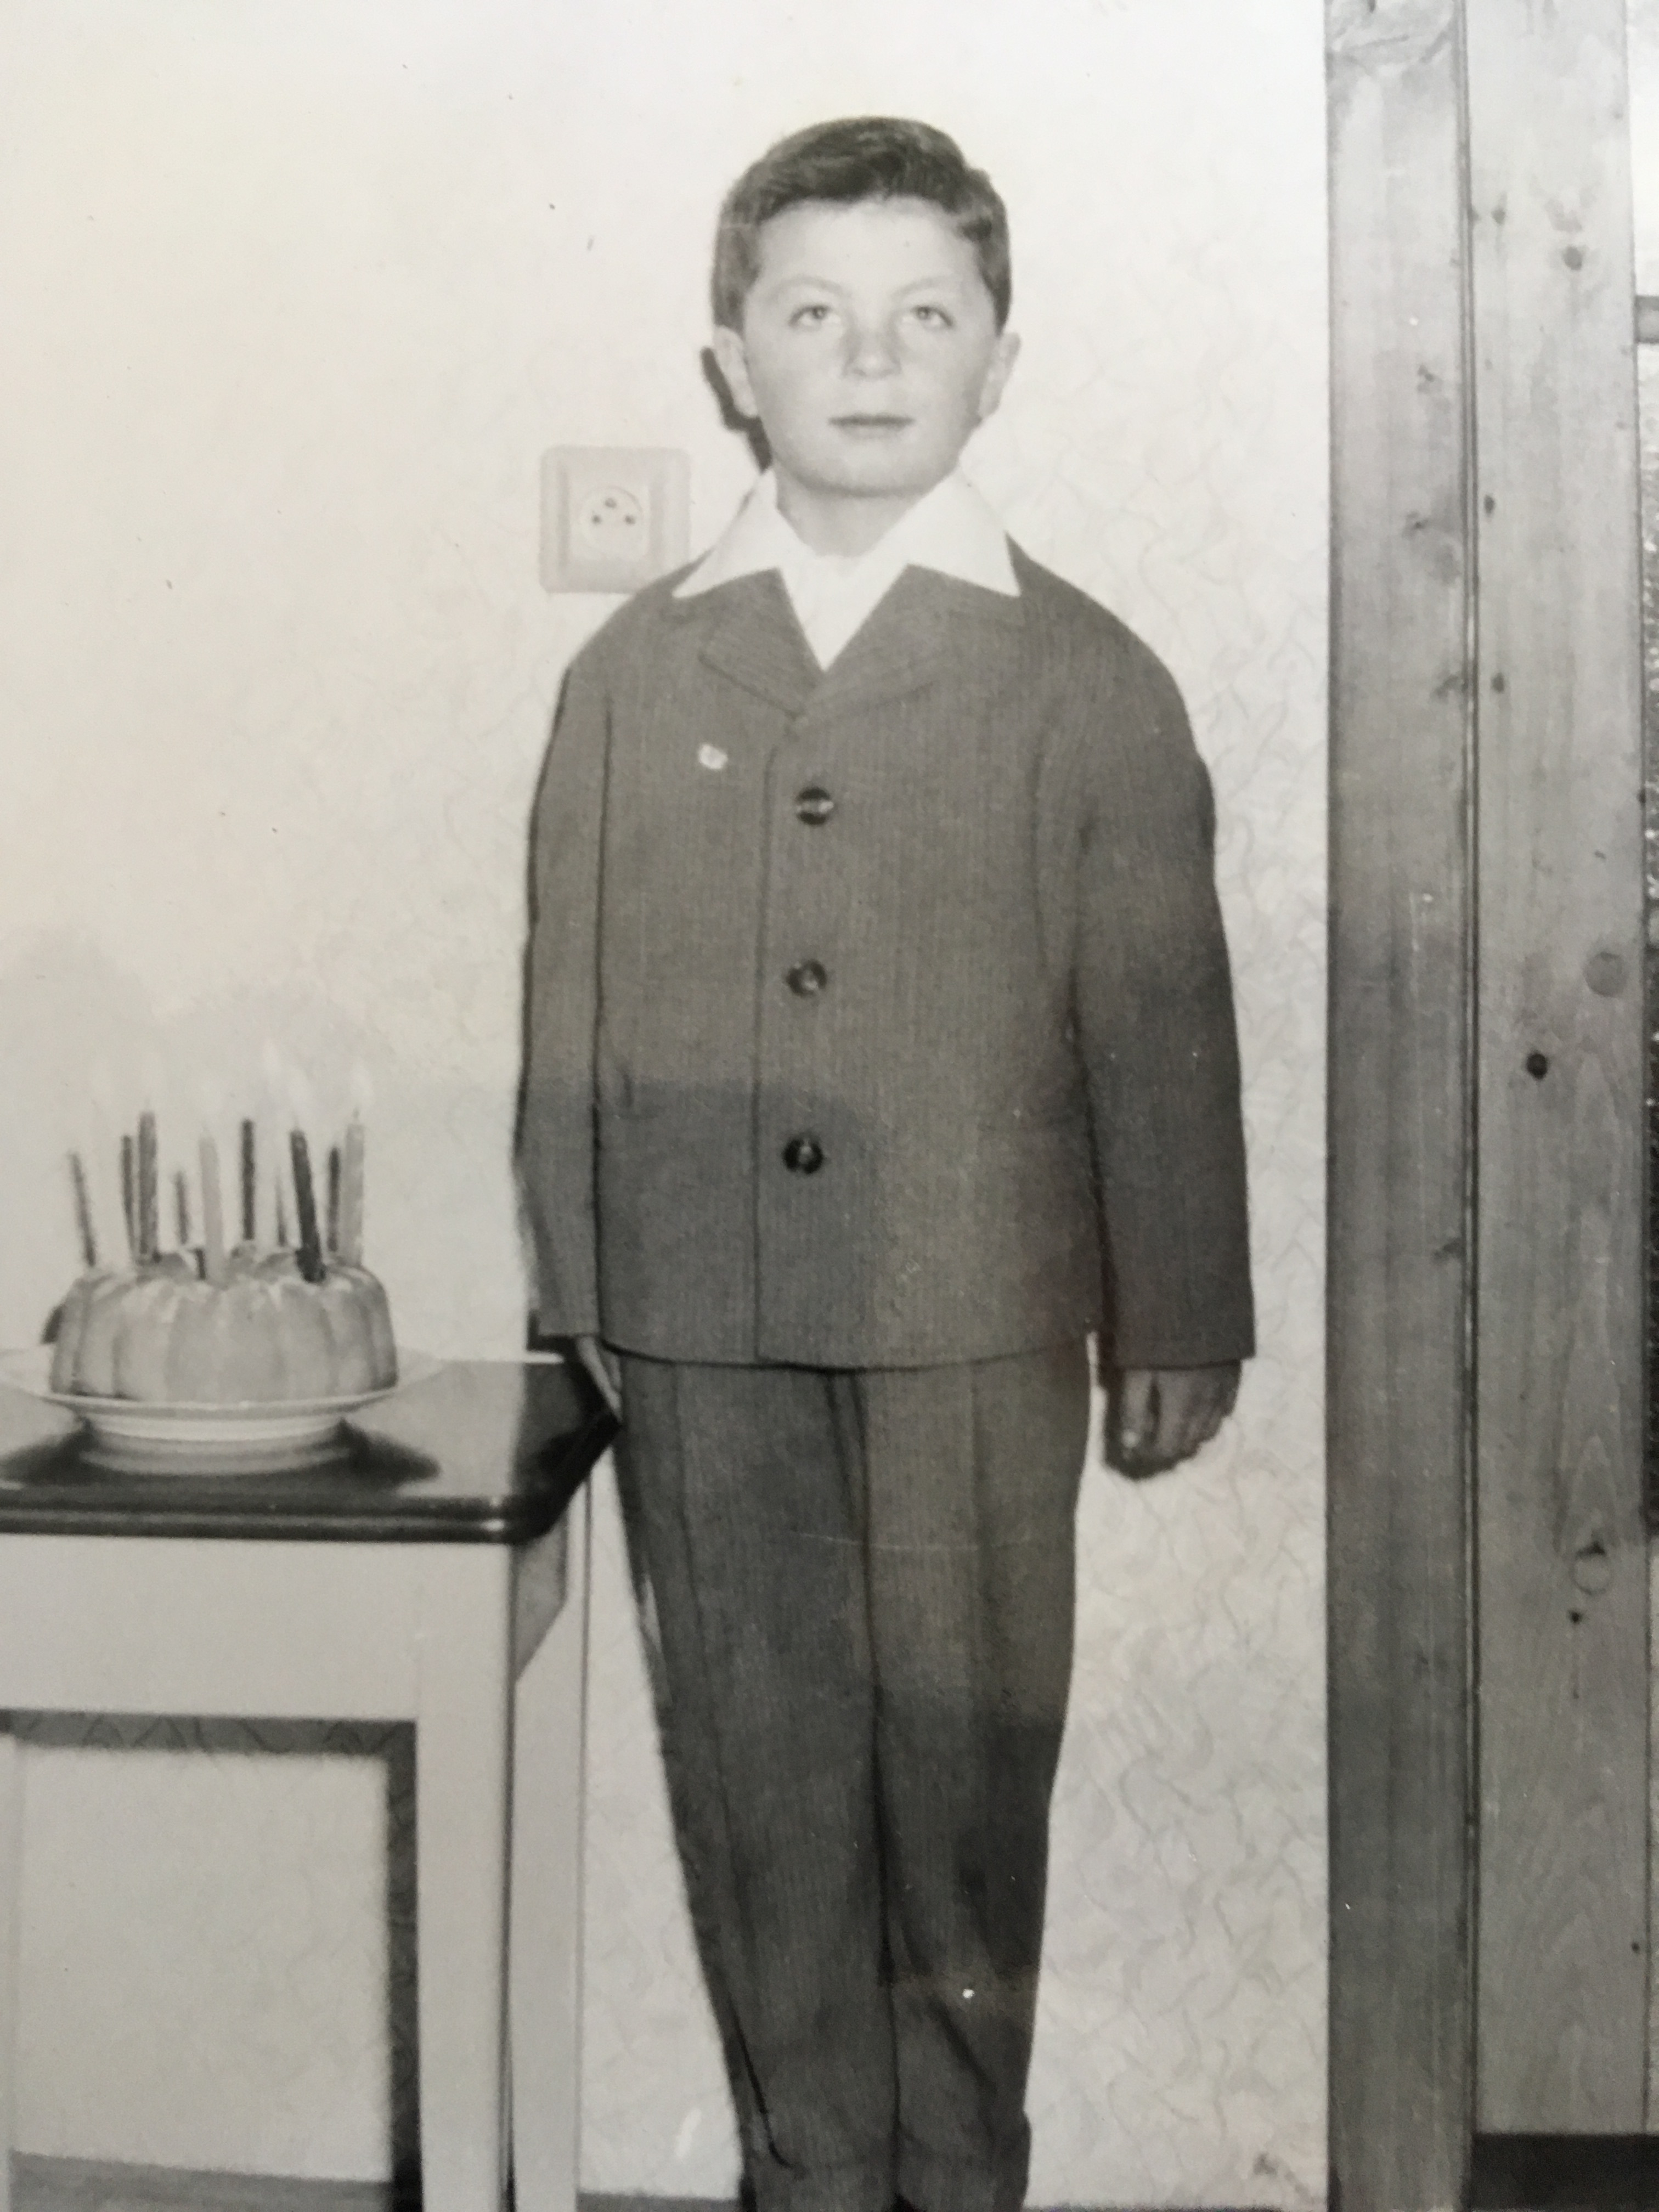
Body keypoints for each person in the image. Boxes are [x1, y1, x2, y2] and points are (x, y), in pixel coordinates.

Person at [518, 114, 1253, 2212]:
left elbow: (1160, 1016)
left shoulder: (1085, 676)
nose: (868, 356)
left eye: (926, 316)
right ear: (730, 362)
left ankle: (958, 2176)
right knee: (759, 1778)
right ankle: (813, 2171)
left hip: (976, 1318)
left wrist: (1180, 1308)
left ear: (999, 364)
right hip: (704, 1323)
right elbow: (572, 998)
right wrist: (589, 1288)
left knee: (963, 1776)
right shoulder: (635, 670)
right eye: (814, 312)